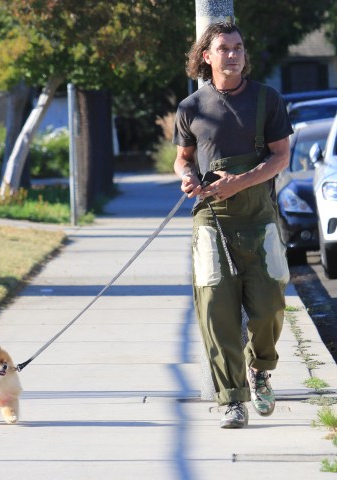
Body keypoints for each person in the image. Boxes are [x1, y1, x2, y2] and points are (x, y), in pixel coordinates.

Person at [173, 22, 293, 429]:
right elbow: (183, 158)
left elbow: (280, 158)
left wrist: (238, 183)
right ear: (207, 56)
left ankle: (259, 370)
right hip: (210, 220)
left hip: (260, 218)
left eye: (238, 47)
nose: (233, 54)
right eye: (224, 48)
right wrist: (187, 176)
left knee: (269, 306)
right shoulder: (191, 107)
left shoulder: (266, 99)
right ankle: (232, 401)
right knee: (215, 311)